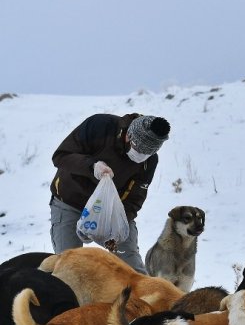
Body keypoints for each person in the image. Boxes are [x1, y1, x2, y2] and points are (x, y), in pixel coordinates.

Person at [49, 113, 170, 273]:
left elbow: (134, 199)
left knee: (131, 267)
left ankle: (140, 297)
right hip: (69, 201)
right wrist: (91, 166)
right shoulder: (99, 126)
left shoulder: (149, 161)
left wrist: (118, 226)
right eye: (138, 150)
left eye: (146, 154)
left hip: (110, 212)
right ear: (129, 136)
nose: (139, 157)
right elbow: (61, 156)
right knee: (69, 267)